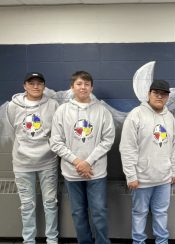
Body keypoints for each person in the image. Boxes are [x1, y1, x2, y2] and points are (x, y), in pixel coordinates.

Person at [50, 71, 115, 244]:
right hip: (72, 172)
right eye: (79, 84)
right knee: (78, 213)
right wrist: (78, 162)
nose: (83, 87)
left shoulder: (102, 111)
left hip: (96, 172)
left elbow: (108, 140)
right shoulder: (62, 111)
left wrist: (88, 162)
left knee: (99, 211)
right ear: (72, 87)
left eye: (87, 84)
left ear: (91, 87)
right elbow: (55, 142)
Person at [119, 79, 175, 244]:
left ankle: (162, 242)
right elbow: (127, 148)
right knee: (139, 213)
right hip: (141, 179)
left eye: (164, 94)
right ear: (149, 94)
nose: (159, 96)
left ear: (167, 97)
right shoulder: (136, 115)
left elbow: (174, 146)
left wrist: (173, 171)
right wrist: (131, 175)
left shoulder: (170, 118)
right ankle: (138, 242)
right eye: (156, 92)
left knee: (161, 213)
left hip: (164, 178)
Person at [6, 72, 59, 244]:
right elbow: (13, 132)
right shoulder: (13, 106)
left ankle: (52, 239)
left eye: (39, 83)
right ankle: (28, 241)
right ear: (25, 86)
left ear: (44, 86)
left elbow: (57, 132)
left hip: (48, 161)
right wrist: (24, 149)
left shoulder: (53, 104)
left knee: (50, 203)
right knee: (27, 205)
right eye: (31, 83)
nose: (35, 86)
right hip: (22, 164)